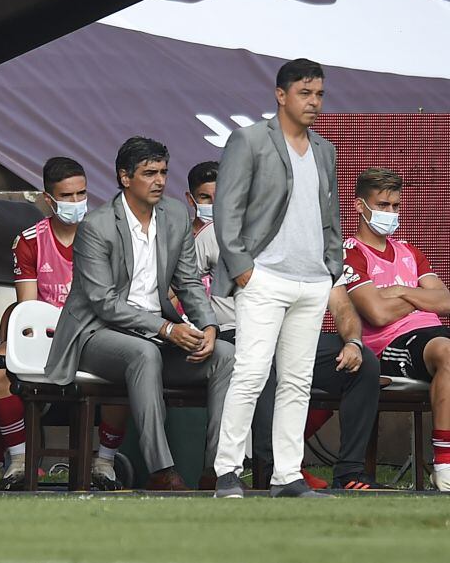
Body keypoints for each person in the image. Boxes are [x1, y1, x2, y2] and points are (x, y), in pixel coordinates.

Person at [44, 137, 235, 491]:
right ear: (125, 177)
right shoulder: (97, 226)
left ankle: (217, 469)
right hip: (96, 334)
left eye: (163, 172)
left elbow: (189, 281)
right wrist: (166, 329)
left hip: (157, 334)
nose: (160, 180)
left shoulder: (175, 215)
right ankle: (162, 470)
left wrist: (208, 325)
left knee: (225, 354)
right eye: (149, 173)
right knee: (143, 354)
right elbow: (104, 302)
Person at [188, 161, 382, 491]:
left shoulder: (312, 242)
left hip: (291, 331)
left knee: (363, 365)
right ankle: (275, 468)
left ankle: (349, 472)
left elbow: (341, 304)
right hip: (237, 331)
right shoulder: (217, 234)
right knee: (266, 364)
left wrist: (352, 342)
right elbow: (184, 288)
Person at [213, 58, 341, 499]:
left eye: (319, 94)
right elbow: (226, 208)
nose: (314, 102)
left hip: (312, 281)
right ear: (281, 95)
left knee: (296, 381)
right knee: (249, 374)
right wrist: (243, 267)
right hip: (264, 277)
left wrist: (332, 264)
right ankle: (228, 471)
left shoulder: (324, 149)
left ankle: (288, 475)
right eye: (305, 93)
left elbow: (330, 215)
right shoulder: (249, 140)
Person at [0, 157, 129, 490]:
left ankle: (105, 462)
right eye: (67, 196)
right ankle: (20, 461)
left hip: (97, 336)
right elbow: (29, 307)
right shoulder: (29, 241)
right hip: (46, 339)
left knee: (129, 363)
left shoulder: (107, 236)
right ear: (49, 200)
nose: (77, 203)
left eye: (82, 194)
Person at [342, 167, 450, 492]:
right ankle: (444, 468)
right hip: (389, 346)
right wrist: (421, 298)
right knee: (447, 351)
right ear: (360, 206)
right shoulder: (350, 252)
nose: (390, 213)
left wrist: (400, 292)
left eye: (395, 206)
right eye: (383, 205)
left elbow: (445, 300)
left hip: (431, 336)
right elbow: (375, 312)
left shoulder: (408, 250)